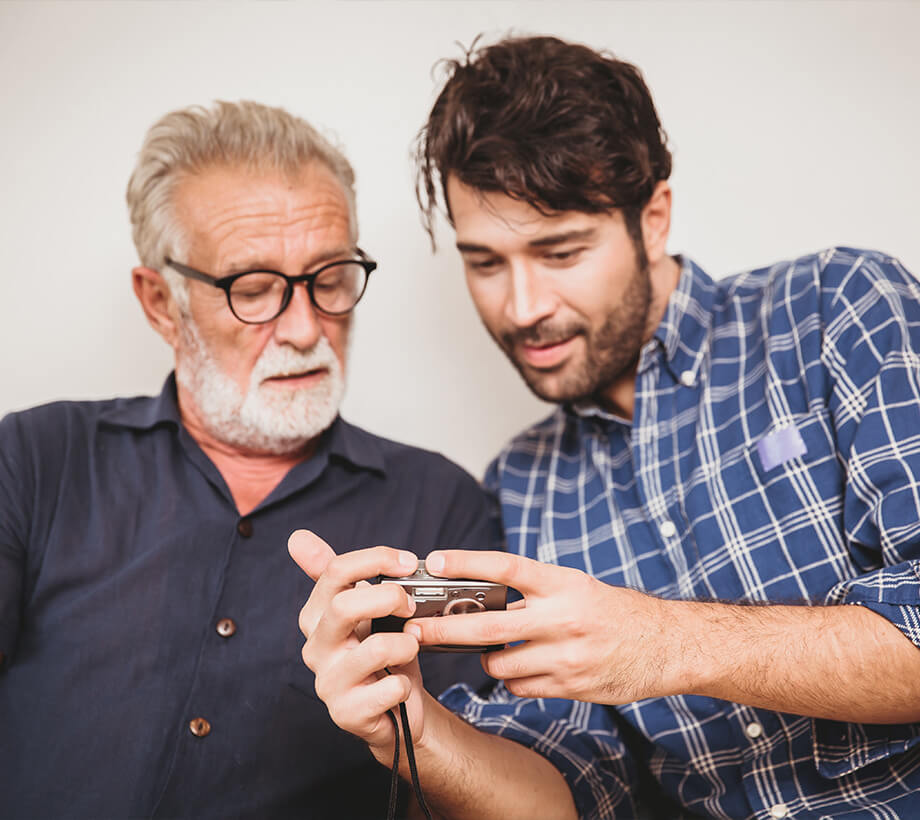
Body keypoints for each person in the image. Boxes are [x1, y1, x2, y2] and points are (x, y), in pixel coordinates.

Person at [289, 35, 920, 819]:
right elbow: (576, 796)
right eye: (485, 263)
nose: (522, 308)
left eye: (560, 251)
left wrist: (659, 643)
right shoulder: (522, 486)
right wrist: (412, 730)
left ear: (652, 218)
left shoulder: (836, 310)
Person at [0, 100, 496, 820]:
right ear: (160, 304)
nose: (304, 328)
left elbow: (488, 789)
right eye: (253, 289)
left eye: (330, 279)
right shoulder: (36, 460)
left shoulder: (443, 504)